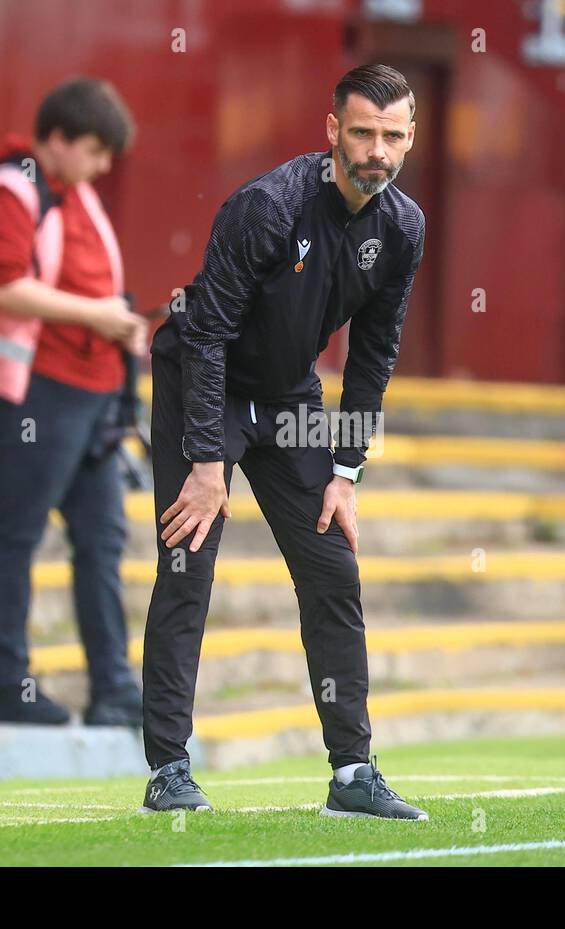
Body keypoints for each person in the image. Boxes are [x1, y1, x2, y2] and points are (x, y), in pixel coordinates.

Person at [139, 64, 428, 819]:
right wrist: (207, 463)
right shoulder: (267, 207)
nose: (377, 151)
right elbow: (205, 336)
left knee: (333, 570)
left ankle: (353, 775)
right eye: (362, 132)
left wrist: (347, 471)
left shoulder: (403, 228)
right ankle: (169, 769)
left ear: (411, 138)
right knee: (186, 564)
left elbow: (374, 352)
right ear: (331, 130)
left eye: (392, 136)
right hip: (204, 381)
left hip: (289, 395)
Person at [0, 78, 148, 727]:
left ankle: (114, 690)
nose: (102, 166)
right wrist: (97, 315)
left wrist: (115, 326)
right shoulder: (11, 190)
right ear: (58, 140)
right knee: (17, 532)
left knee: (102, 540)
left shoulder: (71, 191)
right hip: (31, 393)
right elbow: (0, 283)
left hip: (92, 397)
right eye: (94, 151)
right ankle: (9, 688)